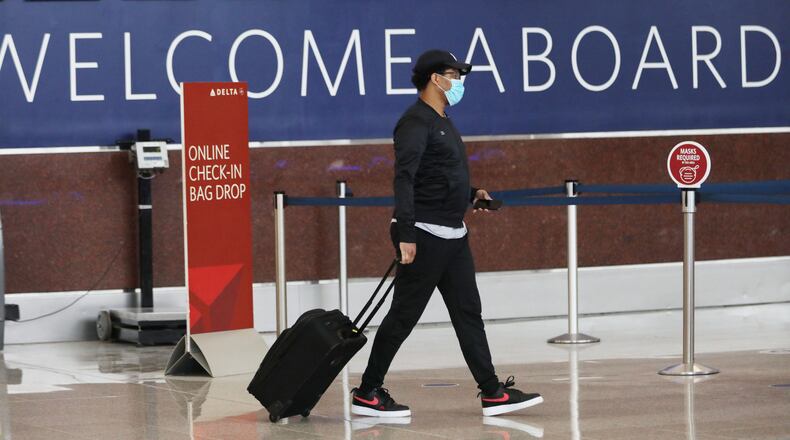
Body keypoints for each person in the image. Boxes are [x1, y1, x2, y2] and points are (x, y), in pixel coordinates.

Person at [351, 49, 543, 417]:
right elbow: (404, 178)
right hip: (423, 234)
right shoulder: (415, 122)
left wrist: (472, 194)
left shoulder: (442, 118)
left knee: (468, 312)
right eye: (454, 75)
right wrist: (405, 233)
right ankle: (368, 391)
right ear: (434, 78)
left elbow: (438, 173)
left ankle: (492, 392)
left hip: (453, 235)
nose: (459, 82)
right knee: (403, 316)